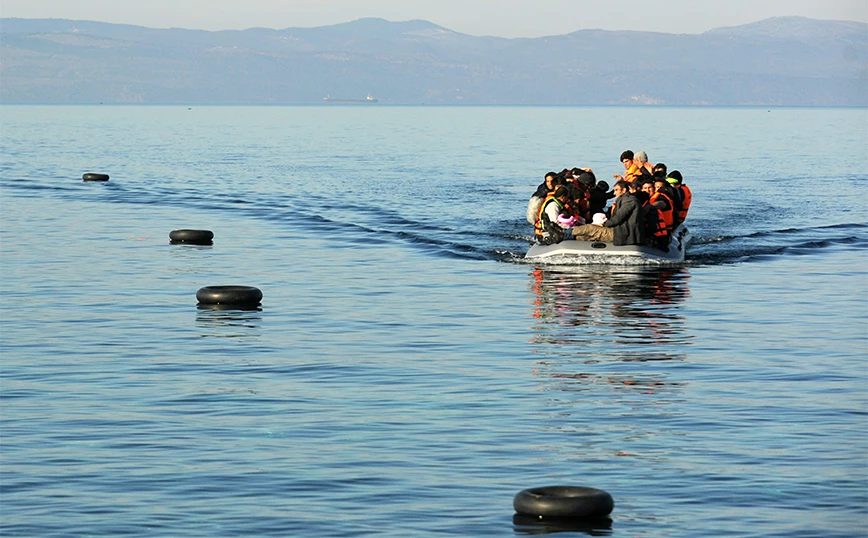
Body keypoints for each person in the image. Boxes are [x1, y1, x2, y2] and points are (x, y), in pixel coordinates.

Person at [571, 180, 644, 245]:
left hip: (624, 233)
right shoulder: (624, 200)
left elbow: (618, 217)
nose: (614, 193)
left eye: (616, 190)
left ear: (624, 190)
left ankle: (567, 232)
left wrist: (603, 224)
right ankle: (569, 236)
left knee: (590, 228)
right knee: (585, 235)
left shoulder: (629, 201)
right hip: (620, 231)